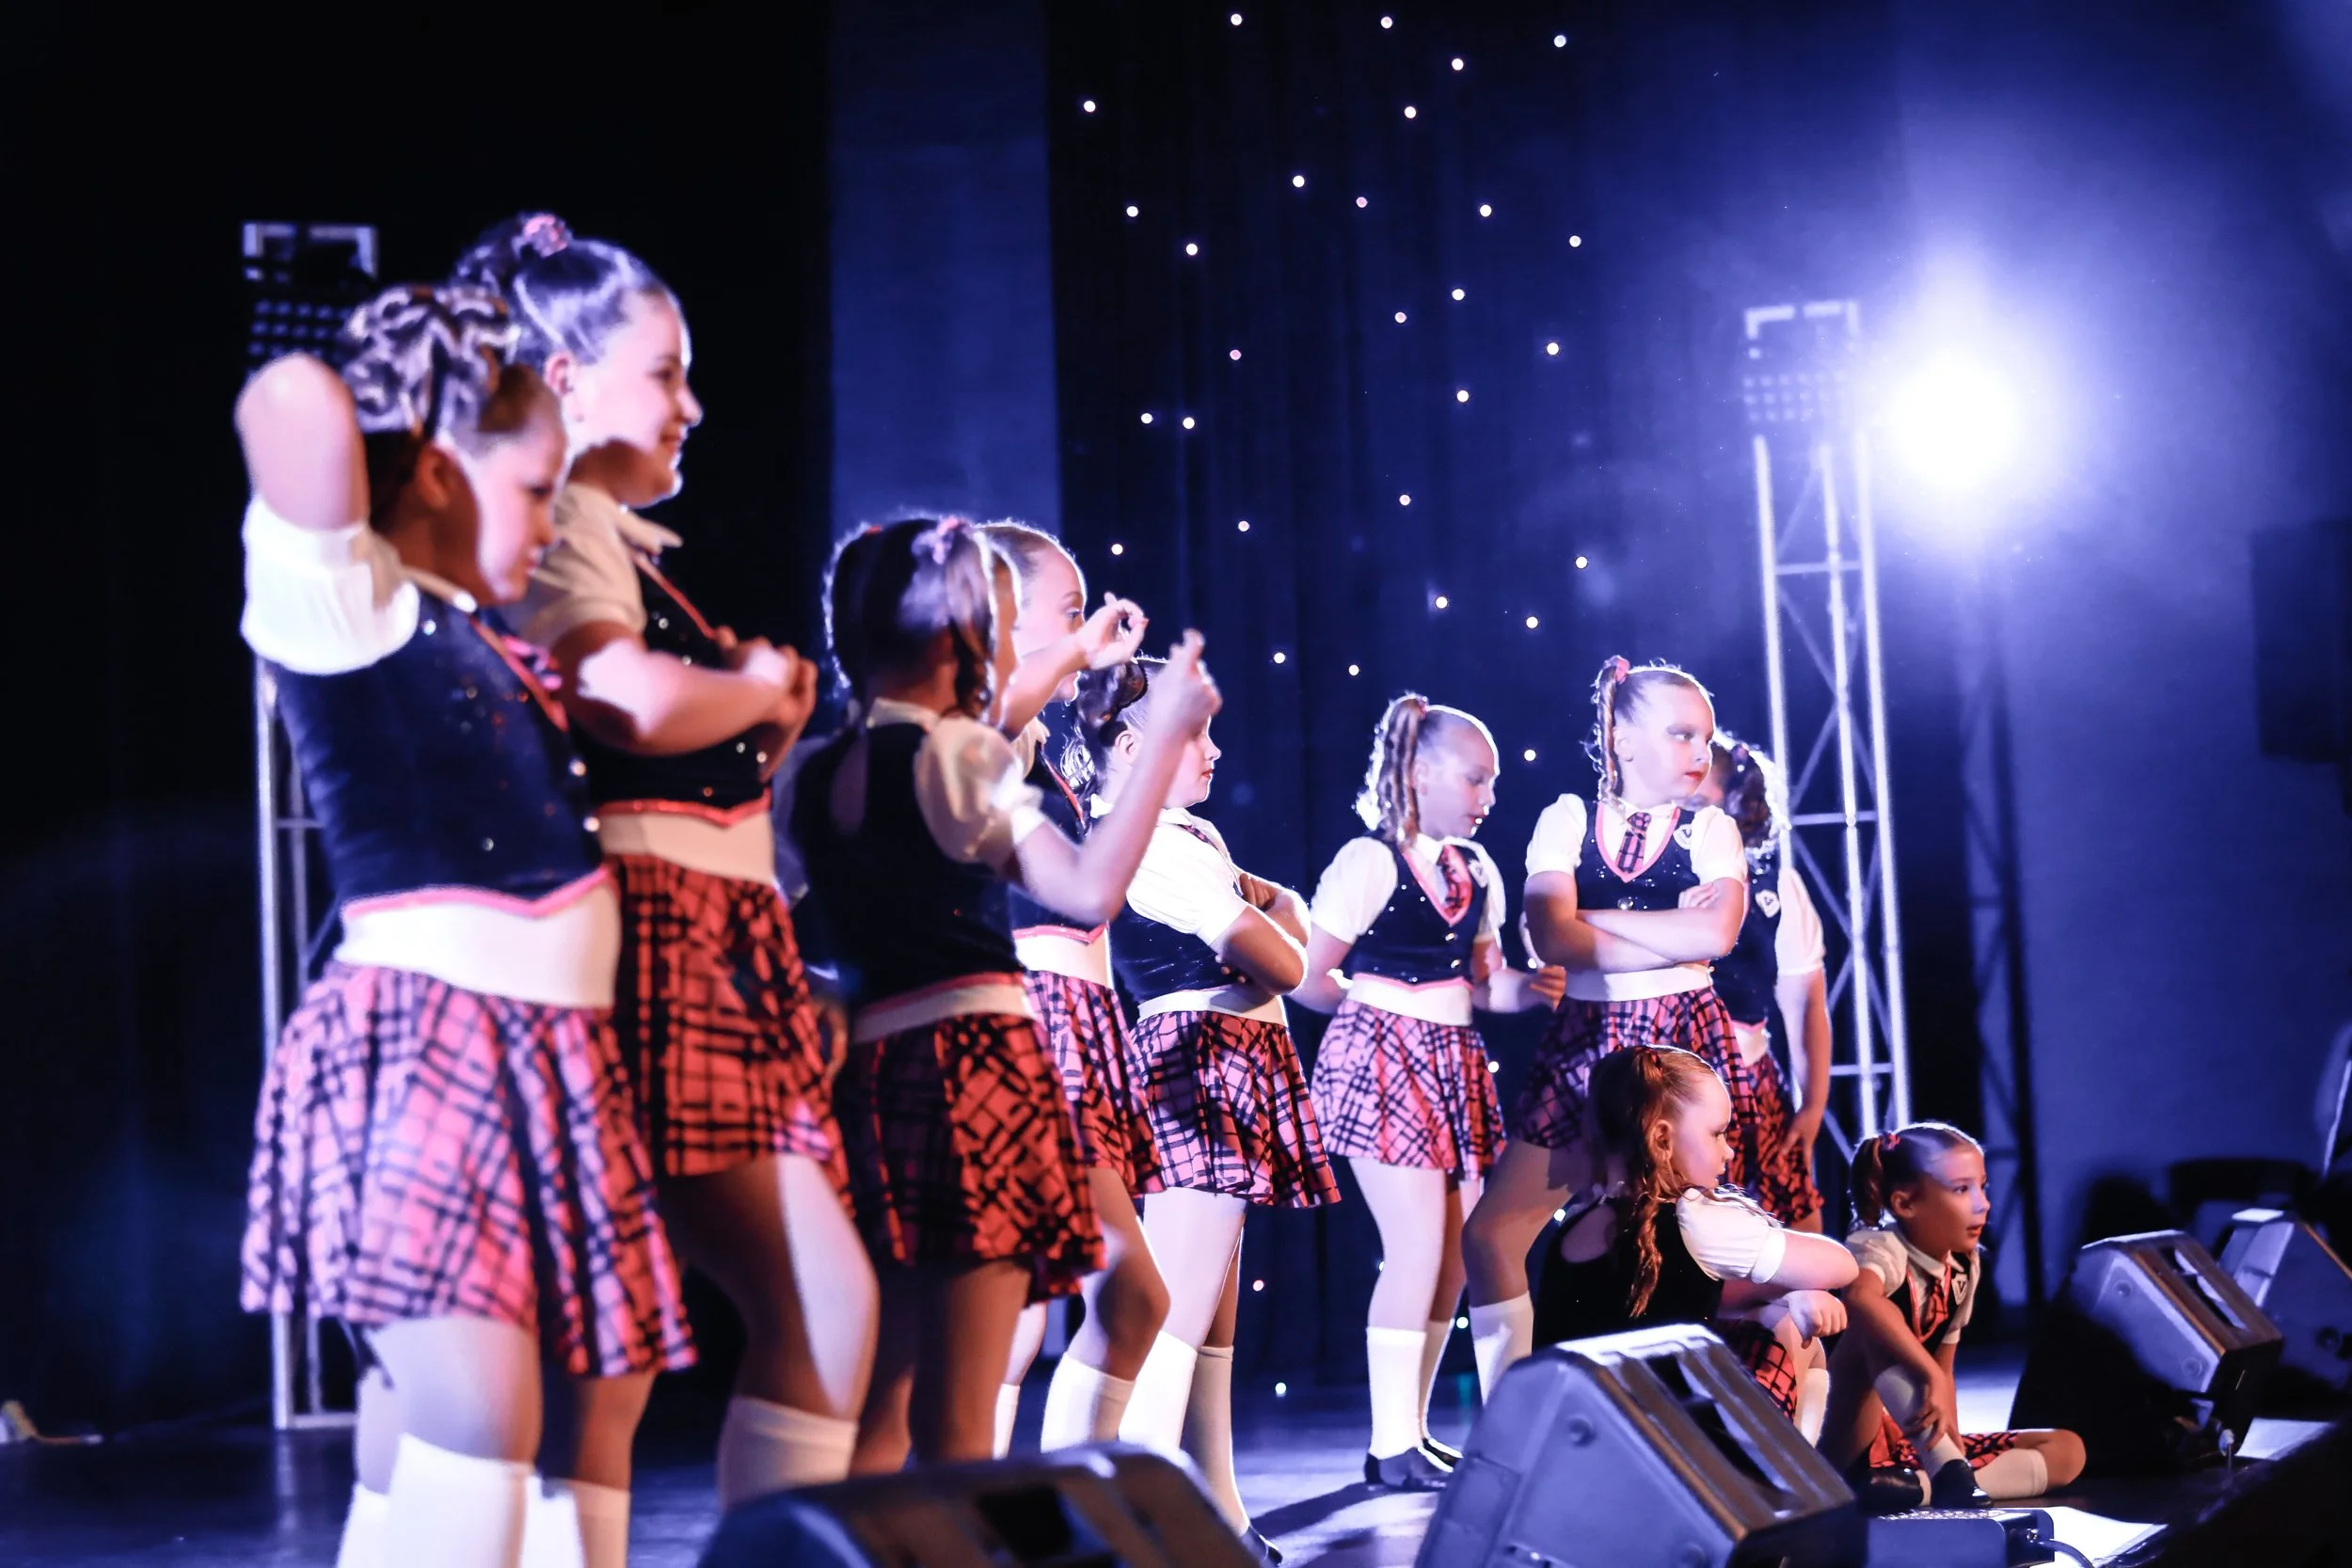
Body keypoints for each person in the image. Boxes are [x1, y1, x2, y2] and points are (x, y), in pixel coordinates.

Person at [236, 286, 692, 1568]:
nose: (553, 526)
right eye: (540, 489)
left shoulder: (479, 635)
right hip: (431, 1045)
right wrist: (431, 342)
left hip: (547, 1061)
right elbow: (287, 400)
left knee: (565, 1402)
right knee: (475, 1414)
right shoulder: (344, 604)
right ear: (436, 464)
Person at [451, 214, 870, 1502]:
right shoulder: (566, 509)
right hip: (652, 937)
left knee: (621, 1348)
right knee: (775, 1310)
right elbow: (619, 698)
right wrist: (749, 690)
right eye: (666, 371)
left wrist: (761, 715)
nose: (691, 403)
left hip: (698, 939)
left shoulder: (604, 534)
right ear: (565, 379)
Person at [782, 519, 1219, 1466]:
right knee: (959, 1405)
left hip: (871, 1074)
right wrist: (1163, 739)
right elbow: (1090, 887)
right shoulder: (960, 760)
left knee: (889, 1385)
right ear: (966, 637)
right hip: (976, 1070)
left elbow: (764, 918)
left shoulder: (809, 775)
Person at [1073, 657, 1340, 1561]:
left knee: (1214, 1312)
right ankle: (1146, 1528)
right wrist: (1273, 921)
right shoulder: (1146, 839)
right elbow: (1290, 964)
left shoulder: (1185, 834)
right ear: (1135, 745)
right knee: (1179, 1309)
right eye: (1199, 732)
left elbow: (1291, 927)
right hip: (1198, 1061)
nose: (1217, 750)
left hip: (1230, 1053)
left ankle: (1218, 1507)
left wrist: (1279, 917)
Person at [1291, 695, 1565, 1489]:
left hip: (1454, 1060)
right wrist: (1381, 1022)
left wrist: (1533, 988)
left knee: (1452, 1255)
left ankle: (1405, 1433)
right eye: (1476, 779)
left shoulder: (1476, 872)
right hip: (1383, 1059)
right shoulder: (1369, 860)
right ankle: (1387, 1444)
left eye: (1492, 783)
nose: (1487, 797)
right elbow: (1309, 972)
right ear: (1419, 772)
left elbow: (1484, 984)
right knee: (1416, 1246)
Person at [1461, 658, 1748, 1398]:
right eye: (1681, 733)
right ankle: (1514, 1423)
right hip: (1585, 1042)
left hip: (1678, 1041)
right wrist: (1665, 928)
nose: (1698, 753)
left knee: (1700, 1236)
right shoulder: (1566, 817)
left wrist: (1595, 919)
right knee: (1492, 1234)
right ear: (1620, 735)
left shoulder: (1711, 827)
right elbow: (1553, 939)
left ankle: (1719, 1416)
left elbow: (1716, 934)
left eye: (1705, 738)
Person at [975, 522, 1167, 1455]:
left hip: (1072, 1016)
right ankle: (1046, 1505)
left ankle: (1002, 1507)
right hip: (1030, 1017)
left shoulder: (1033, 735)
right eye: (1069, 610)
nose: (1089, 627)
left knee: (1015, 1315)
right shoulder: (983, 727)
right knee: (1118, 1293)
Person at [1532, 1047, 1854, 1438]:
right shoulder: (1696, 1218)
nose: (1729, 1150)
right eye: (1717, 1133)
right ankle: (1794, 1484)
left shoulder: (1572, 1227)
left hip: (1584, 1455)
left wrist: (1789, 1297)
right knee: (1788, 1331)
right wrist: (1794, 1297)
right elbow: (1841, 1265)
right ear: (1663, 1139)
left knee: (1768, 1314)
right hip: (1675, 1462)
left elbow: (1684, 1299)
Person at [1824, 1124, 2087, 1513]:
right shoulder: (1879, 1246)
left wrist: (1954, 1446)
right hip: (1849, 1443)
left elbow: (1943, 1370)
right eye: (1962, 1189)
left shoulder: (1964, 1264)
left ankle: (1923, 1487)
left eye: (1982, 1187)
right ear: (1905, 1204)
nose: (1982, 1204)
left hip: (1911, 1438)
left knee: (2068, 1450)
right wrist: (1926, 1372)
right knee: (1875, 1333)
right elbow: (1860, 1297)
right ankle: (1941, 1474)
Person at [1685, 737, 1829, 1230]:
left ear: (1733, 804)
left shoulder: (1772, 886)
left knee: (1797, 1240)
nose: (1688, 823)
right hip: (1669, 1093)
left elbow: (1806, 1001)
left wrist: (1812, 1106)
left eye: (1699, 806)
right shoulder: (1644, 880)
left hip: (1751, 1087)